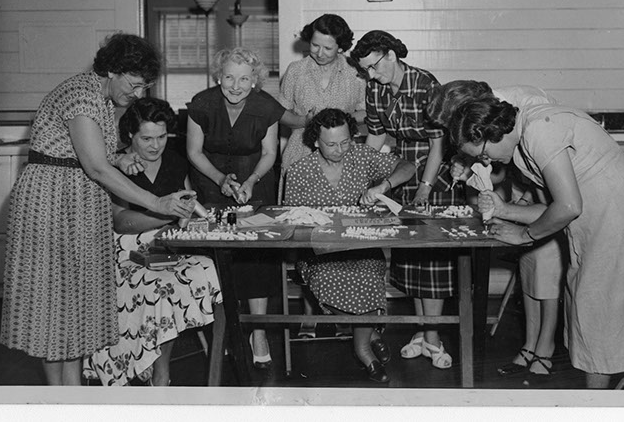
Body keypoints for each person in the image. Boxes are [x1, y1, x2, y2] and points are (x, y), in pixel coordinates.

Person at [0, 33, 196, 386]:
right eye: (135, 86)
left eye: (143, 88)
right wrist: (156, 202)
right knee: (54, 304)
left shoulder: (103, 101)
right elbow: (95, 167)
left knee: (74, 305)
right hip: (52, 202)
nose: (137, 95)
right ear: (114, 70)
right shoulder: (81, 95)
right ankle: (59, 396)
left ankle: (73, 393)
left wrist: (122, 157)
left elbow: (90, 155)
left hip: (79, 201)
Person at [447, 99, 624, 388]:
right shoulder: (524, 144)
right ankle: (618, 391)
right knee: (595, 311)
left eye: (484, 154)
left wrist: (523, 235)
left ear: (493, 133)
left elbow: (567, 207)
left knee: (597, 314)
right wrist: (505, 211)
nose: (487, 163)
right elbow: (554, 208)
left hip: (617, 214)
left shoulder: (538, 130)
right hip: (597, 215)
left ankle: (599, 405)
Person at [427, 80, 565, 376]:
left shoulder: (521, 108)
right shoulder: (488, 125)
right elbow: (500, 169)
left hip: (549, 197)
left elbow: (549, 173)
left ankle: (546, 346)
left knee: (548, 276)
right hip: (525, 194)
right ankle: (530, 344)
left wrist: (529, 195)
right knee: (529, 274)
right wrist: (467, 170)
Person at [83, 98, 221, 386]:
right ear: (130, 136)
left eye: (161, 137)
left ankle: (179, 363)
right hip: (121, 252)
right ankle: (160, 370)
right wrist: (165, 215)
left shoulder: (174, 161)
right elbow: (121, 221)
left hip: (167, 247)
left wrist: (195, 218)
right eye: (146, 138)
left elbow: (188, 203)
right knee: (163, 286)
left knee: (207, 268)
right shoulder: (116, 166)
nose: (155, 145)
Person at [350, 30, 463, 370]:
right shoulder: (375, 87)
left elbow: (438, 143)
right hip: (401, 168)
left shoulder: (424, 83)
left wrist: (426, 187)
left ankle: (433, 338)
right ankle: (421, 332)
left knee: (433, 261)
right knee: (411, 260)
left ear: (390, 55)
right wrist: (358, 172)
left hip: (434, 169)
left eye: (374, 66)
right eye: (366, 70)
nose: (371, 75)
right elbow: (377, 133)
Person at [283, 108, 416, 383]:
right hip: (319, 255)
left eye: (345, 141)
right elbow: (290, 225)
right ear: (315, 141)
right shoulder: (299, 171)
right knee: (335, 282)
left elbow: (408, 167)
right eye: (331, 144)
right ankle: (366, 339)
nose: (339, 149)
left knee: (366, 276)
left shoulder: (362, 157)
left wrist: (383, 186)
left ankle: (362, 345)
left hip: (363, 249)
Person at [185, 47, 285, 368]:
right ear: (218, 77)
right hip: (210, 182)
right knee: (218, 260)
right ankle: (228, 329)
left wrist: (252, 180)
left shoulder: (267, 107)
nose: (236, 85)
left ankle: (257, 332)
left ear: (255, 80)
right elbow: (194, 152)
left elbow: (270, 153)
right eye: (229, 77)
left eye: (244, 78)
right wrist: (219, 180)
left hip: (255, 183)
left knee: (256, 260)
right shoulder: (202, 103)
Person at [278, 14, 366, 196]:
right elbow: (280, 113)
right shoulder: (296, 70)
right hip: (301, 150)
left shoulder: (354, 73)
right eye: (315, 45)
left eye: (327, 48)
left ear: (341, 47)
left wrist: (340, 122)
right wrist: (305, 121)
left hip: (341, 153)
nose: (319, 53)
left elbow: (366, 112)